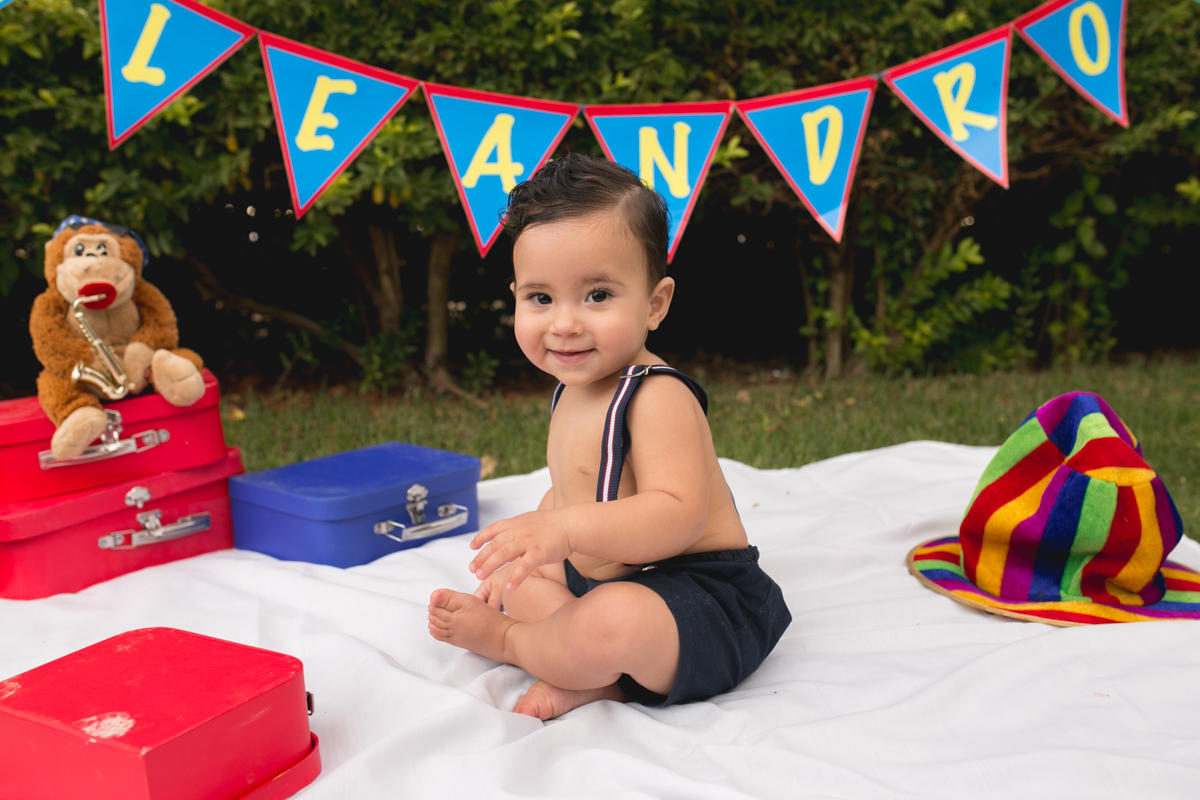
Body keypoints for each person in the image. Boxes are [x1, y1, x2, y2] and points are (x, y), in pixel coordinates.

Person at [427, 154, 791, 720]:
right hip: (603, 575)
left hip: (699, 595)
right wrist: (537, 542)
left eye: (597, 295)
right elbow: (574, 488)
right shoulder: (573, 385)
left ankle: (511, 643)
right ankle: (598, 676)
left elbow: (677, 516)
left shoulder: (656, 395)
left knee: (615, 619)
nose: (564, 323)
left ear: (654, 304)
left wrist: (565, 530)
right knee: (517, 582)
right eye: (540, 298)